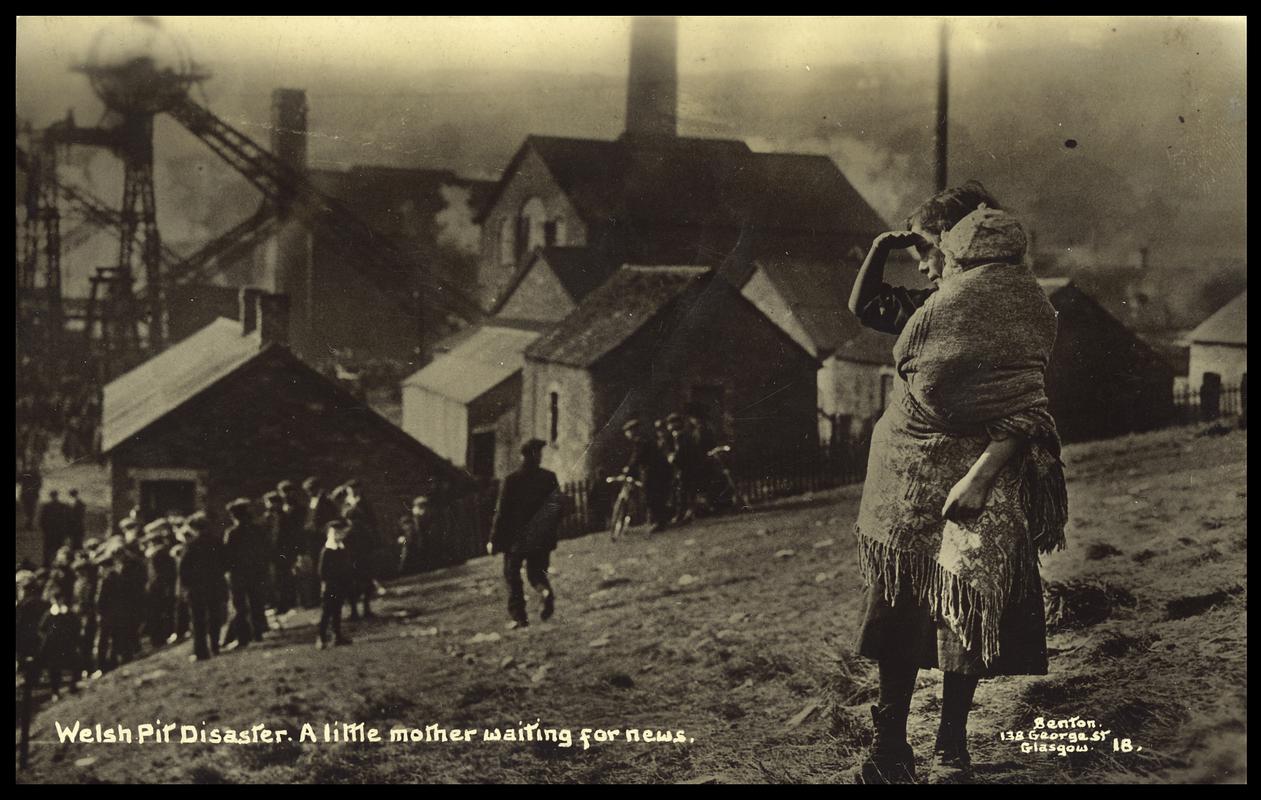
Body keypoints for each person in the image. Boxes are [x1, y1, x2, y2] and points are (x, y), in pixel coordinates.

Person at [846, 184, 1067, 783]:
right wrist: (879, 249)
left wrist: (979, 476)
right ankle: (891, 747)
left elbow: (1024, 403)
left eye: (925, 246)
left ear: (956, 242)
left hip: (975, 484)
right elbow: (865, 309)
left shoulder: (1011, 309)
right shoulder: (930, 305)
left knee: (964, 610)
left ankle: (950, 746)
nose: (920, 260)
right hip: (910, 484)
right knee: (901, 608)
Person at [489, 439, 563, 629]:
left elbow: (501, 512)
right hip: (541, 538)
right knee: (536, 574)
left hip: (517, 540)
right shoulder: (549, 477)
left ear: (522, 456)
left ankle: (519, 618)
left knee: (512, 575)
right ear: (536, 456)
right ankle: (545, 591)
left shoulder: (512, 480)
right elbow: (558, 508)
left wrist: (493, 539)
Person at [222, 498, 269, 649]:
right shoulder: (258, 529)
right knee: (256, 603)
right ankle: (258, 633)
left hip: (239, 574)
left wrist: (227, 571)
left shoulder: (232, 533)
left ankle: (243, 638)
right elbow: (265, 550)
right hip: (257, 572)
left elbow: (227, 556)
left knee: (240, 607)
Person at [176, 512, 222, 662]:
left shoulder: (191, 545)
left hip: (197, 588)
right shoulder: (217, 542)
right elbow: (226, 562)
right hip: (215, 584)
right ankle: (215, 646)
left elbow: (183, 569)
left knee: (198, 621)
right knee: (214, 616)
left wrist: (185, 587)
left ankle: (201, 652)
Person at [621, 419, 672, 533]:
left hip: (655, 471)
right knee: (655, 496)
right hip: (657, 470)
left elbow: (637, 457)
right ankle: (659, 521)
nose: (627, 434)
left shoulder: (640, 441)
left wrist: (628, 469)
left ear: (632, 431)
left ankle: (659, 523)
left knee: (653, 497)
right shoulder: (644, 439)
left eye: (628, 432)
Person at [316, 519, 354, 649]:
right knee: (327, 612)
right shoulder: (327, 550)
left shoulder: (342, 548)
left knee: (337, 611)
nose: (340, 536)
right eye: (336, 533)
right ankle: (321, 637)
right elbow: (322, 571)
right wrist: (325, 583)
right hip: (330, 586)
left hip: (340, 584)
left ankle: (337, 636)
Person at [38, 490, 69, 567]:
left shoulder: (47, 506)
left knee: (47, 549)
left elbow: (42, 520)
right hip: (59, 532)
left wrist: (44, 530)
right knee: (58, 549)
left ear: (51, 496)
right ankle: (58, 564)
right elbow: (65, 520)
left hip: (49, 532)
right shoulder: (62, 506)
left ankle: (46, 564)